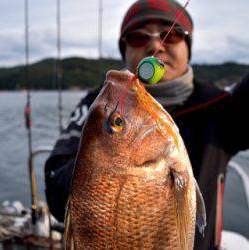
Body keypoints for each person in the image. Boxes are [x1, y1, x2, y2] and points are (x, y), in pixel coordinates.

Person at [44, 0, 249, 249]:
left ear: (188, 46)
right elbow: (55, 184)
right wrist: (102, 179)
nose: (154, 44)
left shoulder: (220, 106)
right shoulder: (100, 105)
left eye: (171, 34)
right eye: (138, 37)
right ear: (125, 49)